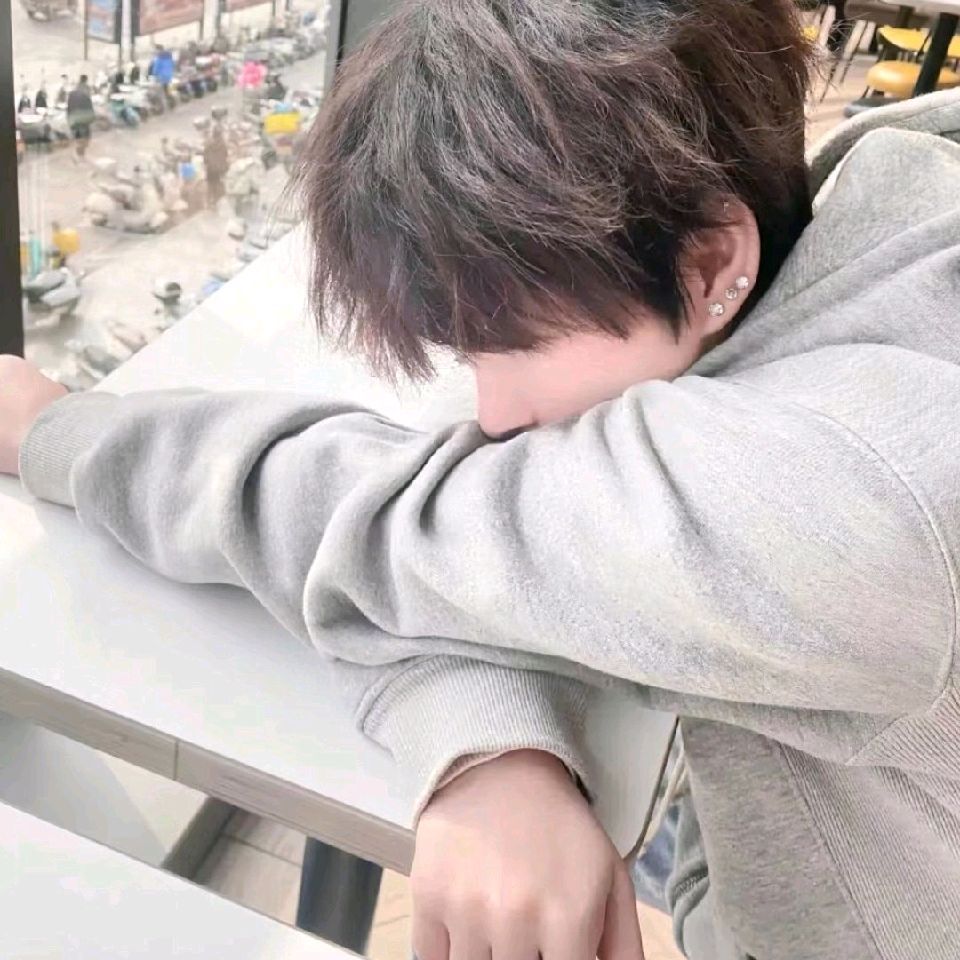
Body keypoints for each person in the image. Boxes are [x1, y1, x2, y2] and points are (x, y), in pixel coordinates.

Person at [3, 1, 960, 958]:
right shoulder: (875, 219)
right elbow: (439, 539)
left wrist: (53, 431)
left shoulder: (856, 500)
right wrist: (495, 748)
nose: (493, 414)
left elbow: (379, 525)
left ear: (712, 263)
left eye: (512, 347)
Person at [66, 75, 94, 161]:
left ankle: (78, 154)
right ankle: (80, 155)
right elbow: (90, 107)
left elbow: (68, 108)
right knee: (84, 136)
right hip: (83, 118)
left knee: (78, 136)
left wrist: (68, 119)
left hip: (74, 119)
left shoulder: (72, 93)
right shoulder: (86, 92)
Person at [202, 124, 229, 210]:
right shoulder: (223, 144)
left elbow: (205, 156)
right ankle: (216, 202)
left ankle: (209, 203)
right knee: (218, 185)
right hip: (220, 169)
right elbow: (225, 155)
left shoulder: (208, 143)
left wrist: (207, 163)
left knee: (210, 185)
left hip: (210, 168)